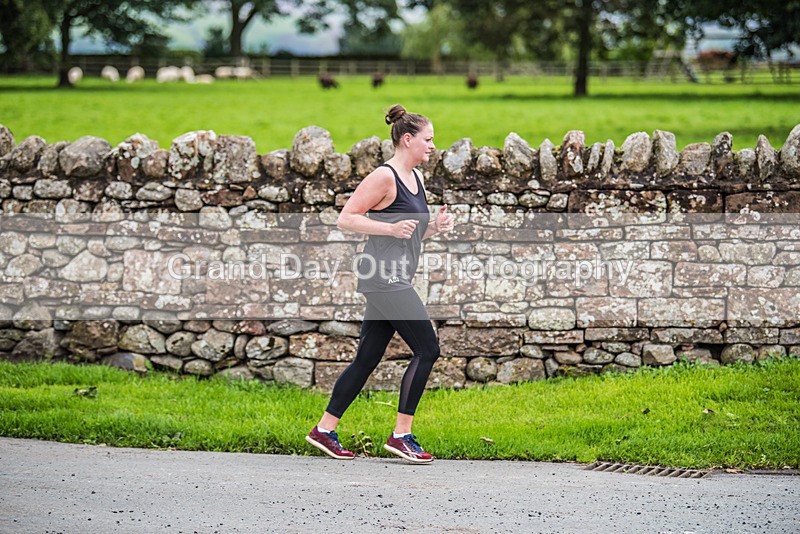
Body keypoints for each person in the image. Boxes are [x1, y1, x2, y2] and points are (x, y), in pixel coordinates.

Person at [306, 104, 455, 463]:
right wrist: (388, 228)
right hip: (384, 277)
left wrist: (434, 228)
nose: (433, 146)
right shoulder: (384, 177)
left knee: (367, 358)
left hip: (394, 277)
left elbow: (410, 233)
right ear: (408, 140)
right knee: (428, 349)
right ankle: (401, 436)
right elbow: (346, 218)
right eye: (428, 139)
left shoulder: (416, 179)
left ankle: (324, 430)